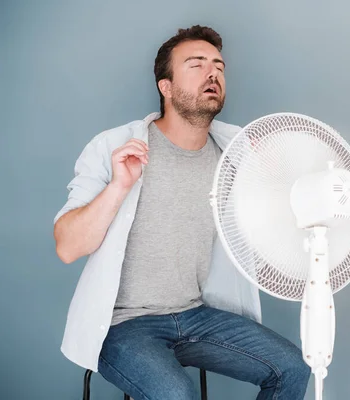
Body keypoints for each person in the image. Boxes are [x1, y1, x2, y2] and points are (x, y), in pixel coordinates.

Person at [53, 25, 310, 400]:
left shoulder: (235, 155)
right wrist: (119, 186)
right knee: (176, 394)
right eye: (197, 64)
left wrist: (273, 178)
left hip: (195, 315)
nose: (213, 74)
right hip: (123, 325)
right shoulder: (114, 147)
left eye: (219, 67)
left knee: (293, 368)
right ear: (166, 87)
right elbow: (67, 247)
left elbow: (273, 229)